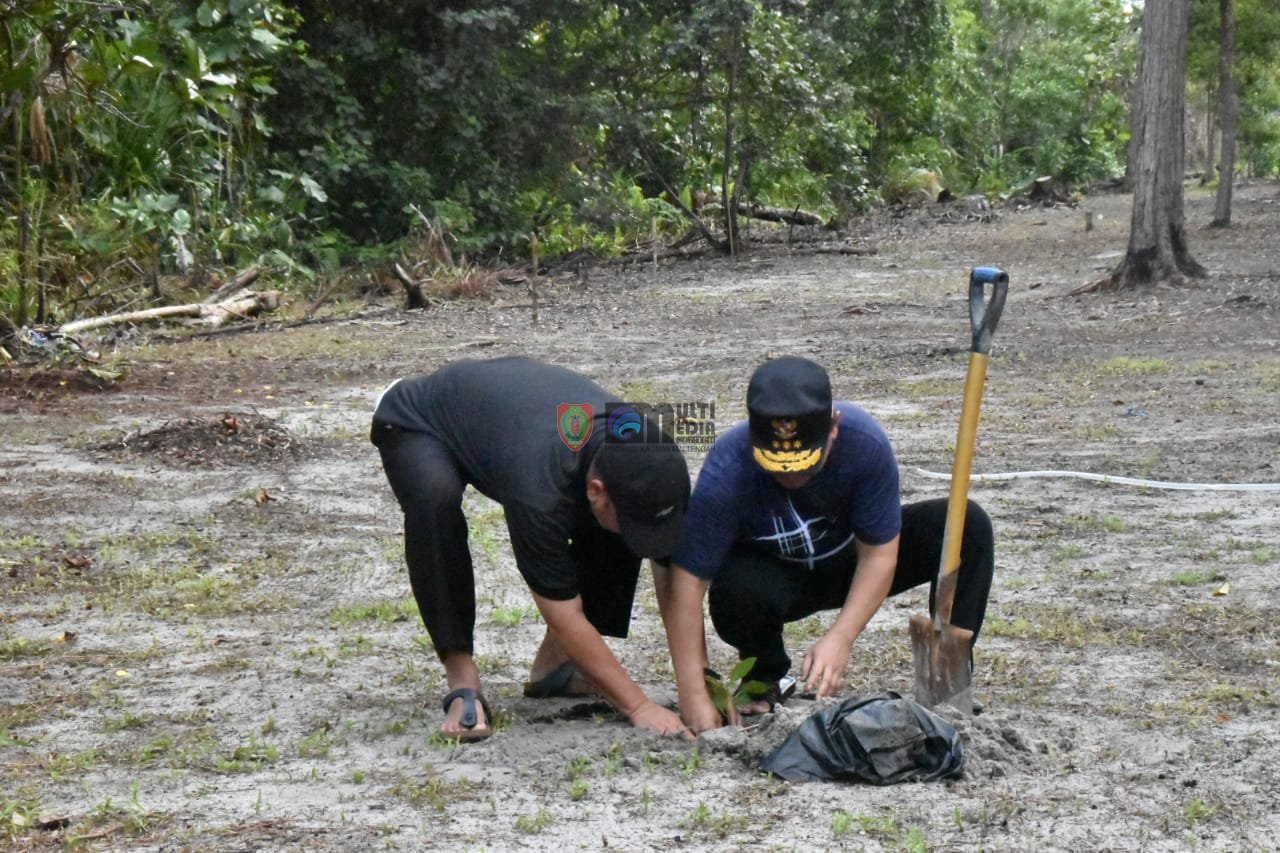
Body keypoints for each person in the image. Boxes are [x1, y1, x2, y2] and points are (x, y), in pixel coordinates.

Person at [659, 356, 994, 732]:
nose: (793, 477)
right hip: (774, 577)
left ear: (833, 427)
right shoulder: (728, 465)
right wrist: (694, 689)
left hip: (851, 563)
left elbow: (879, 555)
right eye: (777, 466)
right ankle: (767, 675)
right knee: (734, 589)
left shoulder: (864, 443)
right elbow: (687, 583)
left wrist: (841, 637)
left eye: (806, 464)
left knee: (967, 524)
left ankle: (948, 680)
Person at [371, 356, 692, 741]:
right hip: (418, 419)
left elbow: (670, 569)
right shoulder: (537, 490)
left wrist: (696, 687)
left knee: (618, 527)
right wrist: (639, 706)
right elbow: (563, 613)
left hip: (512, 417)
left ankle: (554, 669)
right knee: (434, 504)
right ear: (595, 490)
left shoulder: (645, 446)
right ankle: (463, 680)